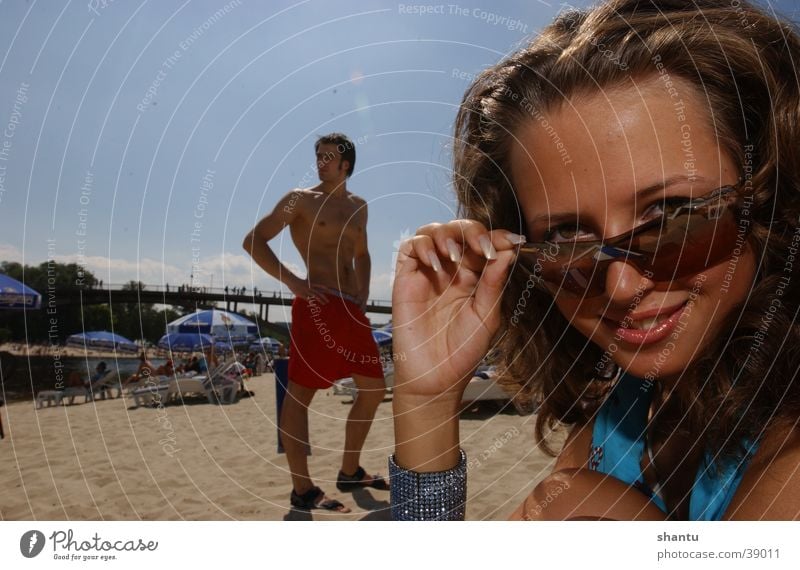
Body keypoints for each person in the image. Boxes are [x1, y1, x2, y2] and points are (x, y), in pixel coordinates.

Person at [391, 0, 800, 521]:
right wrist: (426, 396)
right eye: (567, 242)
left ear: (774, 196)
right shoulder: (630, 403)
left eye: (674, 219)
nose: (622, 286)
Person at [243, 132, 388, 513]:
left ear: (347, 165)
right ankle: (302, 489)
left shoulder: (359, 207)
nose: (321, 162)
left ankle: (350, 470)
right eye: (318, 156)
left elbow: (364, 253)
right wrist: (293, 282)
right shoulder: (300, 200)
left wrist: (364, 291)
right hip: (317, 303)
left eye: (329, 157)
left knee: (374, 390)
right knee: (300, 394)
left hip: (351, 311)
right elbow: (254, 240)